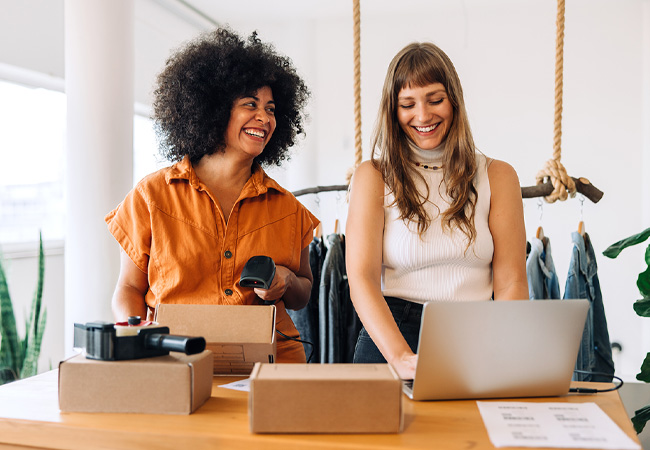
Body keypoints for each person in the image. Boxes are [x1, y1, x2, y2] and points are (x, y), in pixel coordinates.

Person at [105, 28, 316, 363]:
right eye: (251, 104)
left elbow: (302, 293)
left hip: (269, 363)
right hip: (175, 359)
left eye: (272, 108)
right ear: (214, 109)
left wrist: (287, 280)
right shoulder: (151, 196)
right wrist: (139, 342)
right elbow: (129, 289)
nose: (264, 117)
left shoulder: (289, 209)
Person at [346, 42, 528, 379]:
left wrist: (505, 347)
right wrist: (400, 357)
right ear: (393, 110)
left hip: (477, 332)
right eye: (407, 104)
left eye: (435, 100)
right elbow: (362, 279)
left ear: (454, 101)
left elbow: (512, 282)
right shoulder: (373, 177)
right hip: (392, 334)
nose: (423, 115)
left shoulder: (498, 176)